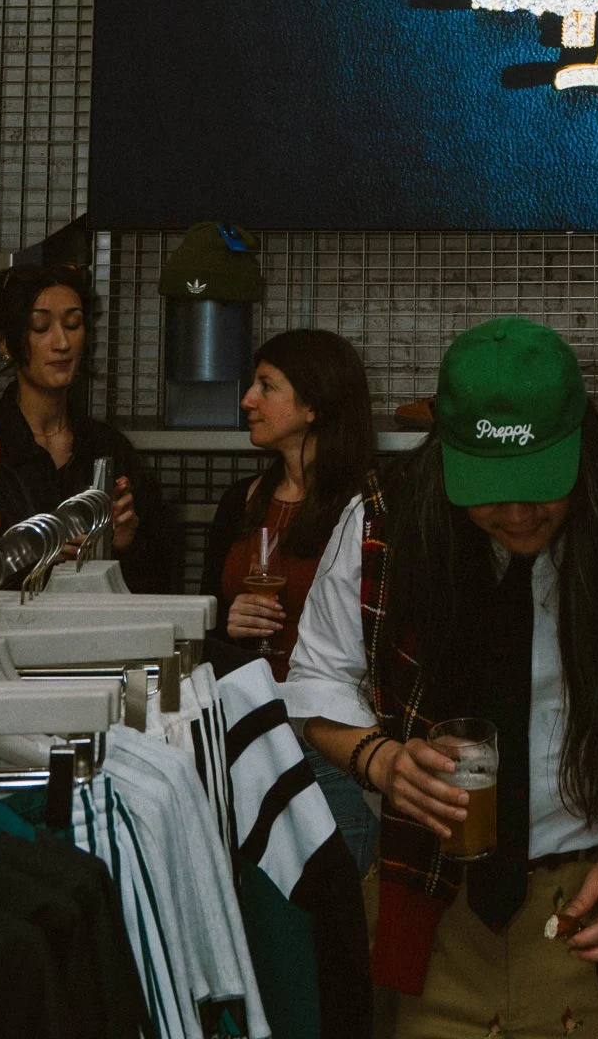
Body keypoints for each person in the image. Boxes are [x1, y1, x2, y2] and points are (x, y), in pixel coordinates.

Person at [286, 316, 598, 1039]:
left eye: (540, 486)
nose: (520, 514)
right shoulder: (383, 523)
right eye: (493, 491)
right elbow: (316, 677)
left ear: (580, 447)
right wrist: (381, 760)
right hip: (426, 899)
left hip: (591, 900)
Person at [201, 326, 382, 872]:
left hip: (330, 738)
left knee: (333, 892)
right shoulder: (242, 500)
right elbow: (199, 625)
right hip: (242, 733)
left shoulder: (366, 509)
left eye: (266, 386)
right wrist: (226, 623)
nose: (247, 400)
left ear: (312, 406)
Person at [0, 262, 170, 591]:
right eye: (41, 327)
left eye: (73, 323)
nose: (62, 342)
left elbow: (163, 581)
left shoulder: (109, 448)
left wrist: (126, 544)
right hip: (6, 625)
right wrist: (27, 558)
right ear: (4, 344)